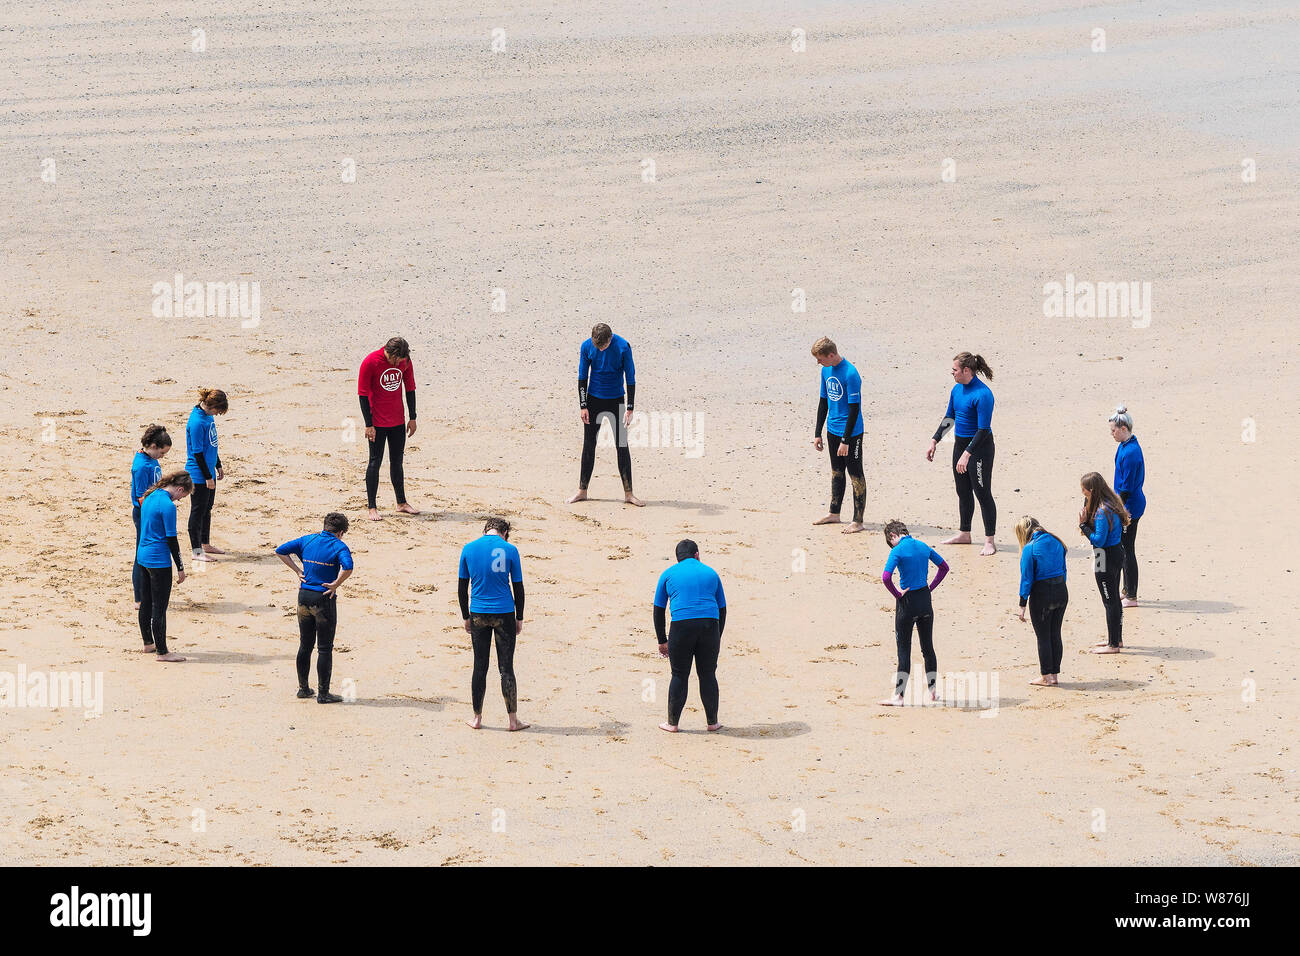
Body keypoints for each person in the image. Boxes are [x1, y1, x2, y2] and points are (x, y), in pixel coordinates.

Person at [457, 518, 528, 730]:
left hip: (478, 611)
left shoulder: (468, 548)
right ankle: (513, 721)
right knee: (506, 668)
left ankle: (477, 718)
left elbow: (462, 588)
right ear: (504, 531)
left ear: (486, 529)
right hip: (504, 612)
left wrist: (465, 617)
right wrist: (520, 617)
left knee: (480, 666)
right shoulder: (510, 549)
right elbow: (518, 588)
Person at [275, 513, 354, 703]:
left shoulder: (307, 540)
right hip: (323, 599)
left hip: (304, 597)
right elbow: (349, 566)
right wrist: (335, 584)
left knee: (305, 645)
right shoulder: (339, 546)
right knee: (325, 648)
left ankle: (303, 689)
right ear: (341, 532)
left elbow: (280, 550)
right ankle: (323, 693)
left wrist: (298, 571)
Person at [653, 539, 727, 732]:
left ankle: (672, 724)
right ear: (697, 554)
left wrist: (662, 640)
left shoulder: (668, 574)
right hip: (709, 626)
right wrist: (716, 635)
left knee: (679, 675)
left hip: (681, 627)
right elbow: (723, 609)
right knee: (708, 674)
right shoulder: (711, 572)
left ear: (678, 558)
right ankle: (713, 722)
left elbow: (658, 610)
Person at [928, 352, 997, 555]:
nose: (952, 373)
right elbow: (950, 416)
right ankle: (964, 533)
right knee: (963, 491)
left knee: (982, 493)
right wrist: (935, 440)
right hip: (961, 445)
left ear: (967, 370)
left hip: (980, 448)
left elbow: (983, 429)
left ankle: (989, 541)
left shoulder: (983, 394)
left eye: (955, 370)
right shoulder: (956, 390)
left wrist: (968, 454)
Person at [568, 323, 644, 506]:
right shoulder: (587, 346)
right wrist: (583, 405)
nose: (600, 349)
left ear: (610, 338)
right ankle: (582, 491)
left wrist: (630, 407)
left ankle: (629, 494)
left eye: (603, 346)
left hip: (616, 398)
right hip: (593, 400)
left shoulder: (623, 346)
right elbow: (582, 376)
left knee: (621, 445)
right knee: (589, 444)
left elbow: (630, 376)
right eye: (597, 346)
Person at [878, 520, 949, 706]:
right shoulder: (923, 545)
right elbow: (944, 567)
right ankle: (933, 692)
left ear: (892, 536)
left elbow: (886, 577)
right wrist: (930, 587)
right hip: (925, 601)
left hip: (907, 603)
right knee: (928, 648)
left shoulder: (897, 550)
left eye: (890, 542)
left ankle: (899, 696)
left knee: (904, 650)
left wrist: (897, 594)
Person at [358, 336, 420, 520]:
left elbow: (410, 388)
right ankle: (372, 507)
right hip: (376, 422)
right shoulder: (370, 362)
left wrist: (413, 417)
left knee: (397, 462)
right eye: (398, 360)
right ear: (391, 354)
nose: (400, 363)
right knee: (374, 462)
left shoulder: (405, 361)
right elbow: (362, 394)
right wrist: (368, 424)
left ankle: (401, 503)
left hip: (397, 421)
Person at [810, 337, 866, 533]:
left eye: (820, 359)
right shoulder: (826, 371)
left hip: (851, 433)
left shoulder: (851, 374)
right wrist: (817, 432)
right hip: (832, 430)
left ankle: (858, 521)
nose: (818, 363)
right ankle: (834, 513)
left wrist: (846, 440)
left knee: (856, 475)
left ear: (831, 355)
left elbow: (854, 409)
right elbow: (823, 402)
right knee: (836, 472)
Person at [136, 471, 193, 661]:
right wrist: (180, 567)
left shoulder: (150, 496)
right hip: (158, 561)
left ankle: (148, 643)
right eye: (182, 496)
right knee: (159, 607)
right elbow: (171, 539)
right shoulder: (168, 506)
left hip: (142, 556)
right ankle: (162, 652)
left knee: (145, 602)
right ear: (179, 489)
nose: (179, 500)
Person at [1078, 472, 1130, 654]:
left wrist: (1083, 525)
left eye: (1085, 492)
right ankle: (1115, 638)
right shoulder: (1111, 503)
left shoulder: (1101, 511)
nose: (1083, 495)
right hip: (1114, 553)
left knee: (1109, 600)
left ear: (1092, 490)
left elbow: (1099, 540)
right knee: (1113, 598)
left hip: (1104, 556)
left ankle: (1113, 644)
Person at [1015, 516, 1068, 687]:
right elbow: (1064, 570)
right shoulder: (1057, 541)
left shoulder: (1029, 548)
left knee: (1043, 637)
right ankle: (1054, 675)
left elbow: (1026, 578)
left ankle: (1046, 676)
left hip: (1042, 595)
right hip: (1061, 591)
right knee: (1055, 633)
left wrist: (1022, 605)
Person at [185, 388, 228, 562]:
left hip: (209, 470)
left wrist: (218, 465)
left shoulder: (208, 417)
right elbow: (197, 452)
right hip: (198, 475)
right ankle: (196, 552)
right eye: (218, 410)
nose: (217, 414)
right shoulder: (196, 422)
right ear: (211, 405)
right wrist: (207, 478)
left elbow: (211, 444)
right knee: (197, 512)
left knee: (207, 509)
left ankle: (205, 543)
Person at [131, 424, 171, 609]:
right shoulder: (141, 466)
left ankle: (148, 593)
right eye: (161, 453)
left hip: (153, 511)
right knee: (142, 554)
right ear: (153, 446)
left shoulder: (151, 460)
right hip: (144, 514)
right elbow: (141, 497)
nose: (162, 457)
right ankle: (139, 597)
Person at [1109, 406, 1145, 607]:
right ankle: (1126, 589)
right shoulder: (1124, 445)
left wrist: (1117, 510)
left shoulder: (1131, 452)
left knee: (1127, 549)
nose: (1111, 434)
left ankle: (1132, 595)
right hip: (1125, 502)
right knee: (1123, 547)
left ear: (1123, 428)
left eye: (1113, 430)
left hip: (1130, 506)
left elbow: (1127, 487)